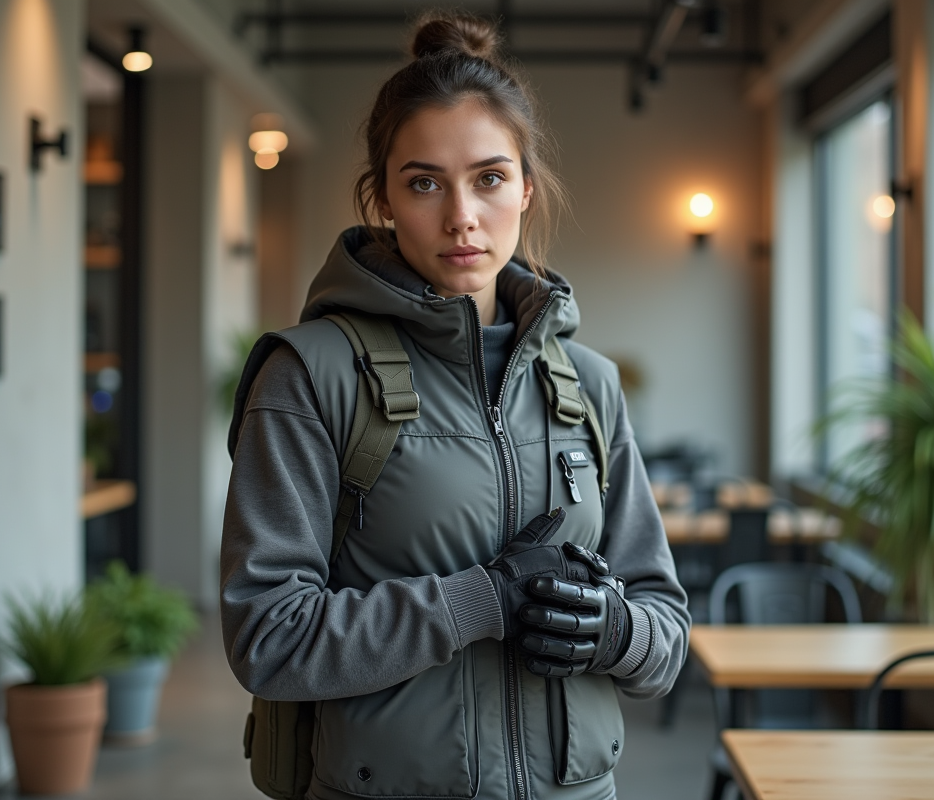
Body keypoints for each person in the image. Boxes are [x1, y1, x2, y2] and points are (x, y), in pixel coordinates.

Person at [221, 11, 690, 800]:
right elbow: (268, 637)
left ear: (527, 189)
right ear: (384, 199)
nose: (461, 215)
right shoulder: (311, 376)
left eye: (490, 177)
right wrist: (480, 600)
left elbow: (666, 637)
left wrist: (614, 629)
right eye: (424, 181)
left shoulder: (588, 386)